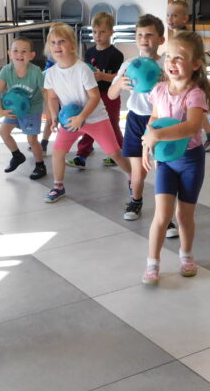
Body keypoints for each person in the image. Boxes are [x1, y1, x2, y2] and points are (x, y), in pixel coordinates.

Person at [140, 31, 210, 285]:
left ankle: (186, 255)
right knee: (162, 216)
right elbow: (154, 120)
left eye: (179, 57)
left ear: (195, 64)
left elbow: (192, 126)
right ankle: (152, 263)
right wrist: (147, 145)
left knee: (184, 215)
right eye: (168, 56)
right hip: (166, 163)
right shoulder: (159, 90)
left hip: (191, 161)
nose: (171, 62)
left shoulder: (195, 94)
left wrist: (157, 135)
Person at [43, 23, 131, 203]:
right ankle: (58, 186)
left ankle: (132, 176)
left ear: (72, 46)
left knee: (114, 153)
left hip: (95, 118)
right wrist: (54, 117)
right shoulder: (50, 73)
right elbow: (51, 97)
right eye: (53, 42)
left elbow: (95, 97)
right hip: (70, 120)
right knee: (58, 152)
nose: (57, 46)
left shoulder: (83, 69)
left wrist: (82, 117)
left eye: (62, 41)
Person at [109, 14, 177, 238]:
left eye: (149, 35)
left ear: (161, 39)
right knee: (138, 172)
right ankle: (135, 201)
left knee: (162, 171)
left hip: (160, 121)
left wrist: (166, 82)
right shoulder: (129, 65)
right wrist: (120, 83)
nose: (144, 39)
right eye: (139, 35)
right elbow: (111, 94)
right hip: (135, 121)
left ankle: (165, 216)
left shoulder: (166, 64)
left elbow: (178, 90)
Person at [66, 12, 123, 169]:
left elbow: (119, 77)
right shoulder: (90, 52)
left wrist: (103, 76)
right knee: (89, 123)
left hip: (110, 95)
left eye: (102, 32)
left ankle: (118, 152)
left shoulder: (116, 55)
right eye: (95, 31)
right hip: (92, 96)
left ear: (111, 32)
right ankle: (81, 155)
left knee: (112, 124)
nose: (98, 36)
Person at [166, 0, 210, 151]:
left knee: (194, 108)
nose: (170, 19)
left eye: (174, 15)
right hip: (186, 80)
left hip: (190, 80)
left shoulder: (186, 38)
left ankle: (209, 136)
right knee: (195, 109)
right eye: (168, 15)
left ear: (185, 18)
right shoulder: (176, 35)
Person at [0, 37, 46, 179]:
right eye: (15, 51)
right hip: (14, 108)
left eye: (24, 51)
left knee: (32, 140)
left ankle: (40, 165)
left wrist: (52, 112)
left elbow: (46, 92)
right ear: (9, 54)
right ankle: (17, 156)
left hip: (32, 109)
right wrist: (0, 110)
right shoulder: (7, 70)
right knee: (3, 132)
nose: (19, 54)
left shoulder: (36, 72)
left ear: (31, 55)